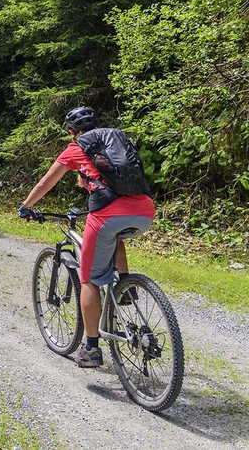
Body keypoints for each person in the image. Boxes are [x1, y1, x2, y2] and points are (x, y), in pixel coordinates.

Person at [18, 106, 155, 369]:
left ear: (72, 131)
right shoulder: (116, 138)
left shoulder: (76, 147)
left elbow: (46, 183)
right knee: (116, 237)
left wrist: (27, 206)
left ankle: (91, 348)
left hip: (107, 214)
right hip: (145, 210)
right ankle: (126, 287)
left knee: (90, 280)